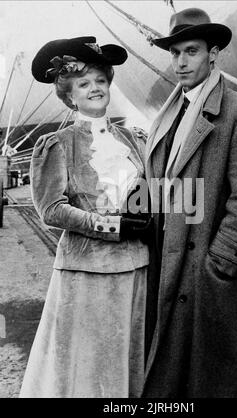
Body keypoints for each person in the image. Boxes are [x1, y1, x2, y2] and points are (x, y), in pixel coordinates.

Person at [143, 8, 237, 398]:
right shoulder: (167, 116)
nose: (181, 62)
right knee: (170, 383)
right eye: (175, 53)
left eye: (191, 51)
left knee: (208, 382)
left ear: (213, 54)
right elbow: (157, 182)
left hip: (204, 277)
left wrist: (216, 267)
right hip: (168, 267)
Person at [19, 36, 150, 398]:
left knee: (127, 364)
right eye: (83, 84)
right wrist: (112, 226)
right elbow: (51, 210)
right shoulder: (57, 144)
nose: (95, 89)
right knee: (89, 371)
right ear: (69, 96)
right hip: (86, 274)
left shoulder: (135, 140)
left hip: (137, 268)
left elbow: (148, 193)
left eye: (100, 81)